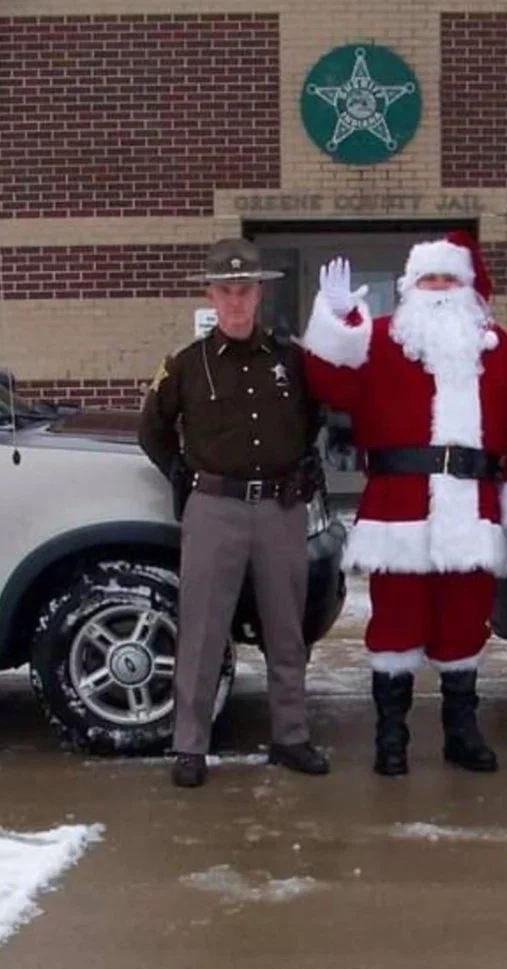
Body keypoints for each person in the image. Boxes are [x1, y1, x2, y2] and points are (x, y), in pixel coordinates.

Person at [301, 230, 507, 776]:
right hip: (399, 507)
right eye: (428, 279)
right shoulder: (379, 339)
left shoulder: (499, 348)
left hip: (473, 506)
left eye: (448, 278)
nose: (438, 289)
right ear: (409, 286)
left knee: (466, 625)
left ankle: (461, 733)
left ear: (467, 287)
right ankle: (389, 738)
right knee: (395, 626)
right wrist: (336, 318)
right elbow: (328, 384)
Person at [138, 238, 329, 788]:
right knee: (201, 629)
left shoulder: (290, 360)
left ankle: (291, 737)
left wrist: (303, 462)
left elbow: (316, 415)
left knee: (286, 629)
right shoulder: (186, 365)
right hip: (215, 508)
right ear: (211, 295)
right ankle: (189, 746)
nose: (237, 300)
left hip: (280, 509)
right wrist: (181, 473)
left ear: (260, 293)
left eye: (245, 289)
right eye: (226, 290)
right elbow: (152, 428)